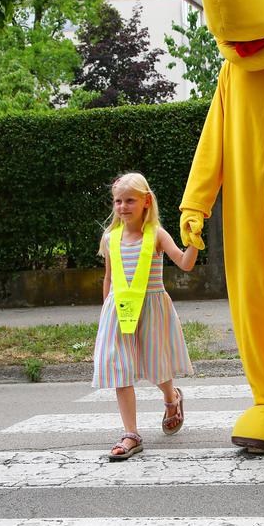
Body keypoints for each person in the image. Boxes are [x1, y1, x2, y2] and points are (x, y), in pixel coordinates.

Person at [93, 172, 198, 461]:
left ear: (146, 202)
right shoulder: (110, 237)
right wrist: (106, 311)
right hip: (119, 312)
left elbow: (185, 264)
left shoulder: (157, 235)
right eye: (117, 201)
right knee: (120, 369)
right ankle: (131, 434)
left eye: (129, 200)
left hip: (151, 310)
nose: (123, 206)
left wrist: (194, 240)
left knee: (157, 366)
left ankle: (171, 398)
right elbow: (109, 279)